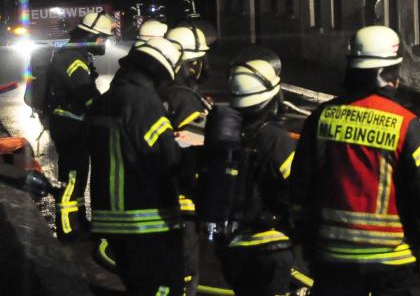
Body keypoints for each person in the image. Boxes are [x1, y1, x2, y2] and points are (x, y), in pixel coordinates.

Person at [290, 26, 420, 295]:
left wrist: (307, 242)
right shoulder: (405, 125)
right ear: (388, 74)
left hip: (333, 261)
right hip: (393, 263)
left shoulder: (321, 118)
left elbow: (299, 190)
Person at [88, 37, 186, 295]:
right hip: (146, 219)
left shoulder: (105, 100)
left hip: (110, 218)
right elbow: (167, 159)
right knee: (164, 287)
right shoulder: (144, 103)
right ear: (160, 73)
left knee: (137, 286)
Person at [201, 50, 296, 296]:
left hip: (232, 249)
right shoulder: (274, 138)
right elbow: (299, 187)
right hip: (270, 247)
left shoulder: (225, 134)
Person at [46, 10, 114, 239]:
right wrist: (107, 108)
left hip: (73, 123)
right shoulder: (73, 58)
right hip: (69, 125)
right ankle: (66, 228)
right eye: (102, 37)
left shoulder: (78, 54)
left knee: (79, 174)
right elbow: (85, 94)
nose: (103, 42)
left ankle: (80, 220)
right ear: (91, 35)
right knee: (72, 177)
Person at [163, 25, 212, 295]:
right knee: (185, 272)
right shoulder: (185, 99)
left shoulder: (159, 90)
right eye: (197, 61)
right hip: (183, 201)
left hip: (155, 197)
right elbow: (194, 151)